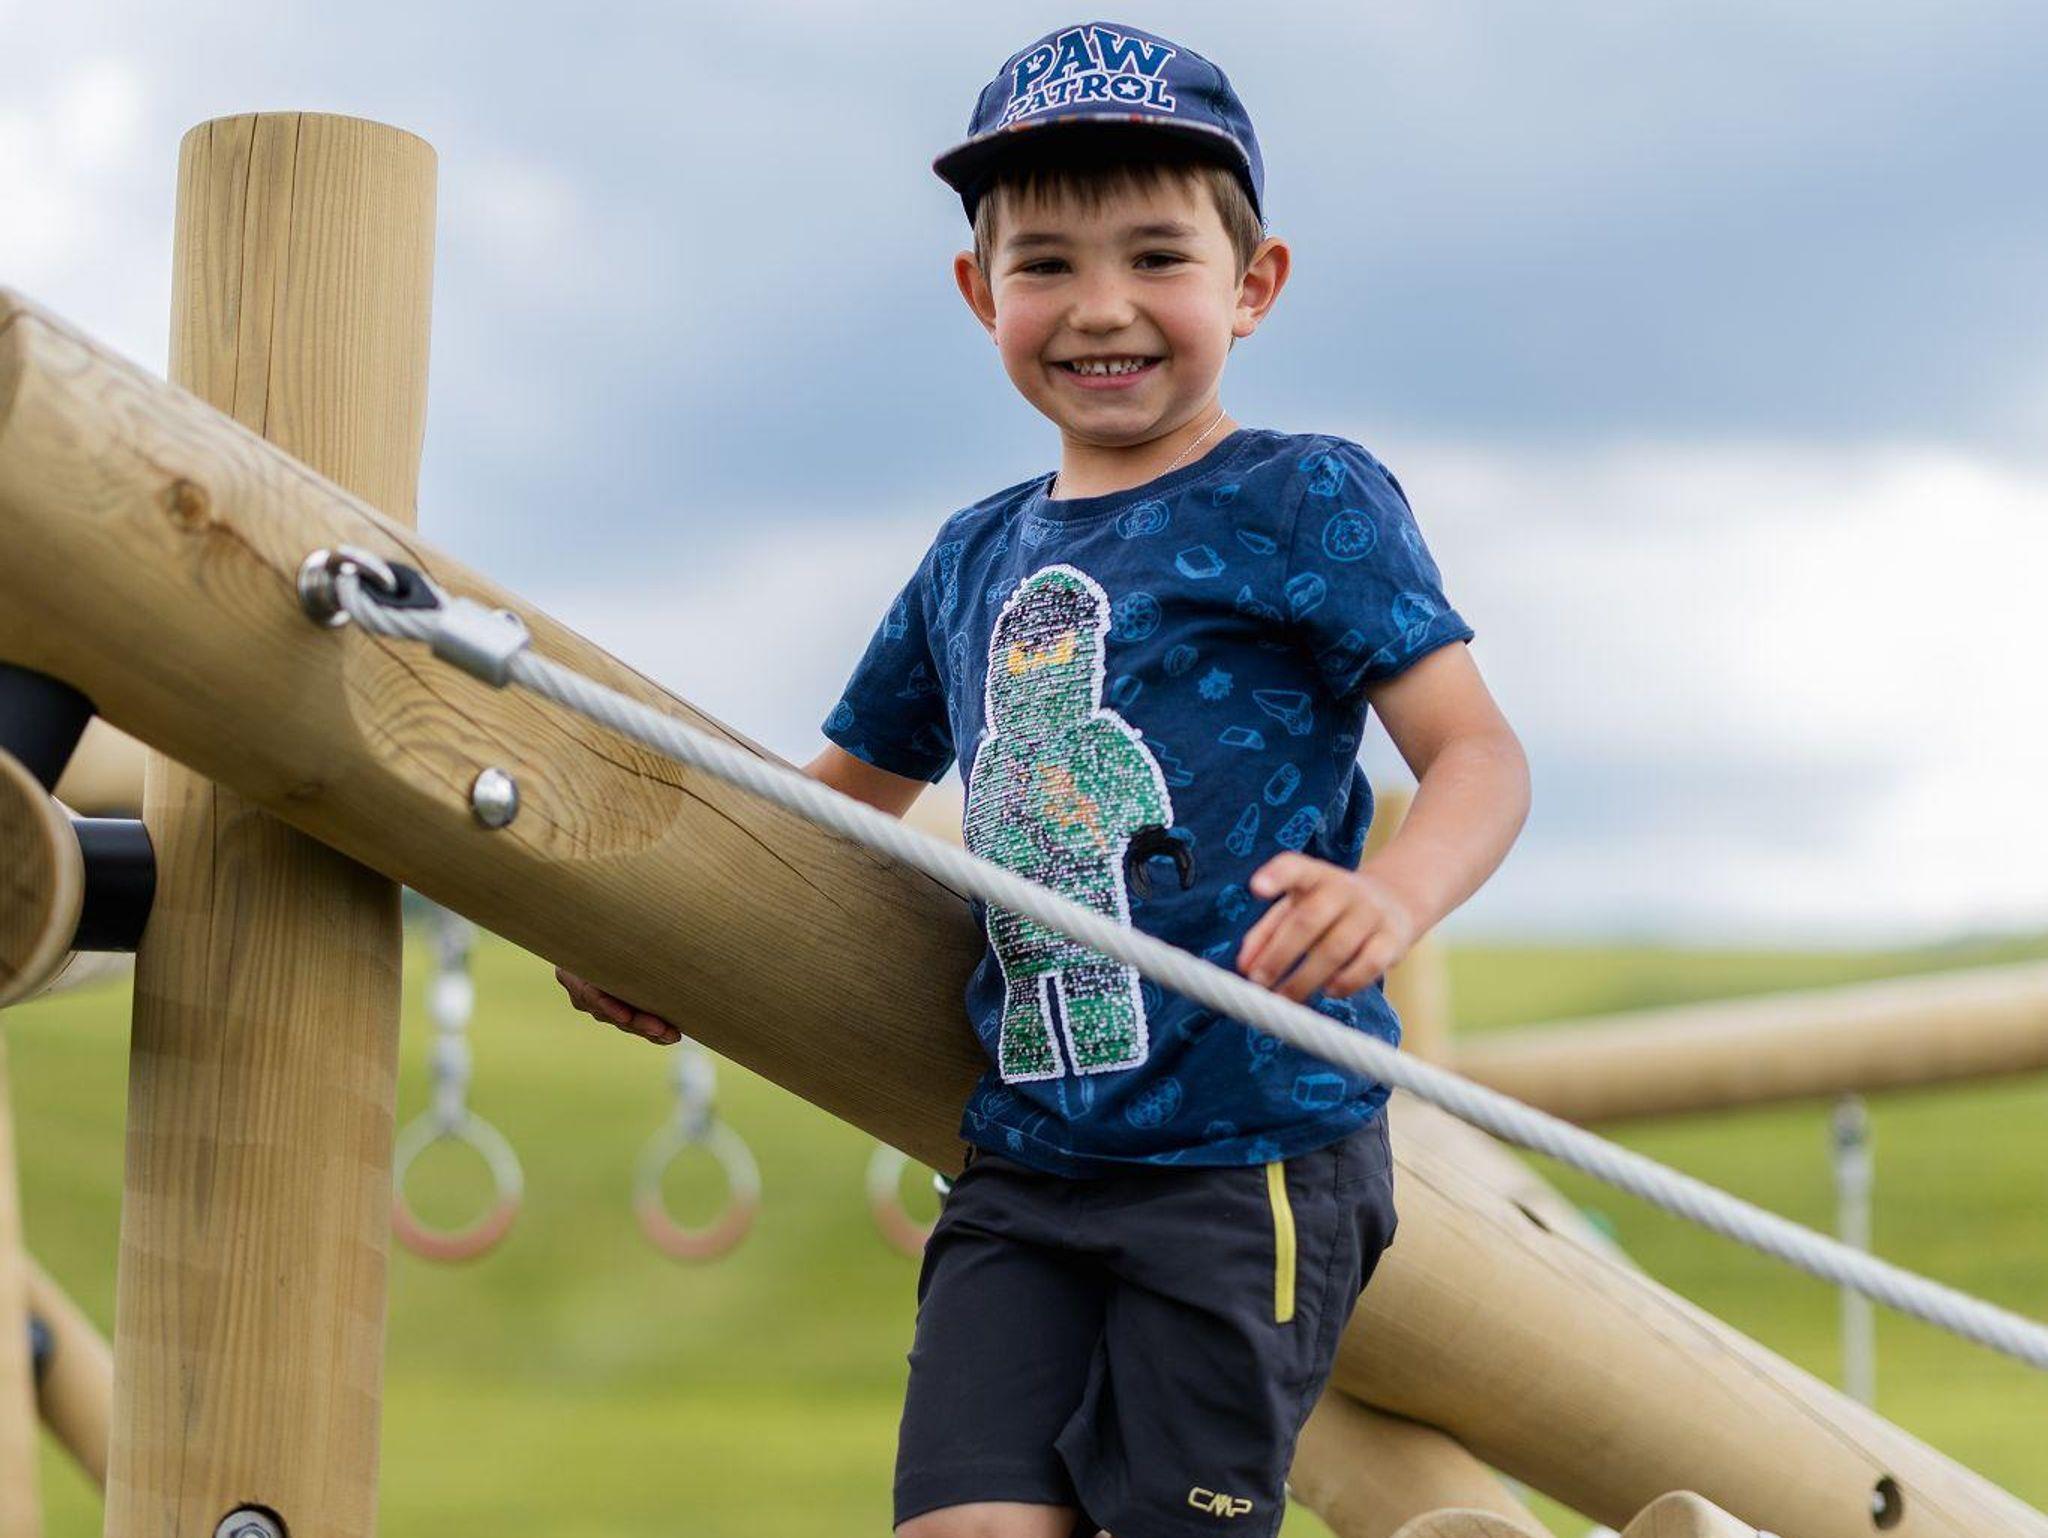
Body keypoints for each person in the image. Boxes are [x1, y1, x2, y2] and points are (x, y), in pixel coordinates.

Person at [558, 20, 1530, 1537]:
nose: (1102, 306)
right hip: (1027, 1160)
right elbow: (829, 806)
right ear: (980, 291)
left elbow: (1477, 753)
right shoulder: (971, 558)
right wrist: (668, 927)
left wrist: (1393, 897)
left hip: (1247, 1158)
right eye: (1048, 265)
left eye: (1157, 257)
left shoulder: (1302, 499)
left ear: (1253, 283)